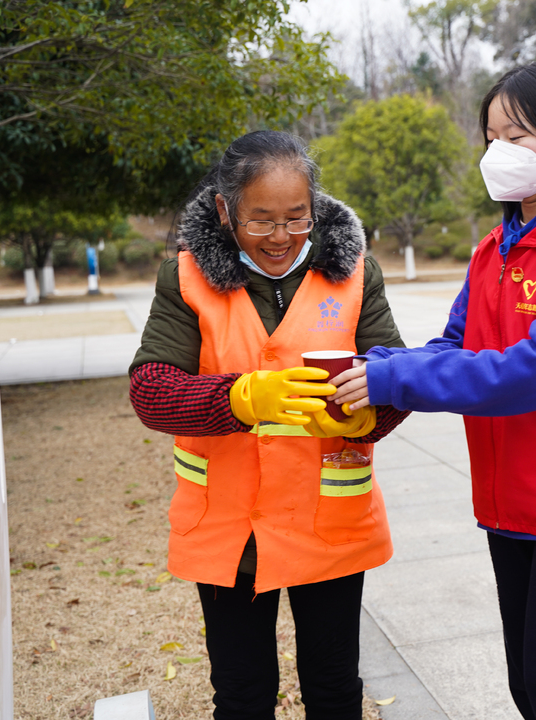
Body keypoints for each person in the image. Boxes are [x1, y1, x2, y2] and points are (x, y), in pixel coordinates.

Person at [331, 61, 536, 720]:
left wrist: (398, 377)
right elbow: (456, 346)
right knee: (532, 689)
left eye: (518, 136)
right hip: (514, 501)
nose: (499, 152)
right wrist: (377, 370)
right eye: (491, 137)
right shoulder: (492, 251)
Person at [128, 130, 408, 720]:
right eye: (261, 221)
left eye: (296, 218)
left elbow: (395, 374)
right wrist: (242, 397)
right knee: (241, 692)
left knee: (333, 690)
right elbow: (151, 393)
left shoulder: (356, 273)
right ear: (226, 210)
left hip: (329, 523)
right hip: (231, 531)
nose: (281, 237)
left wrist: (369, 410)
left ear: (315, 206)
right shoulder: (184, 279)